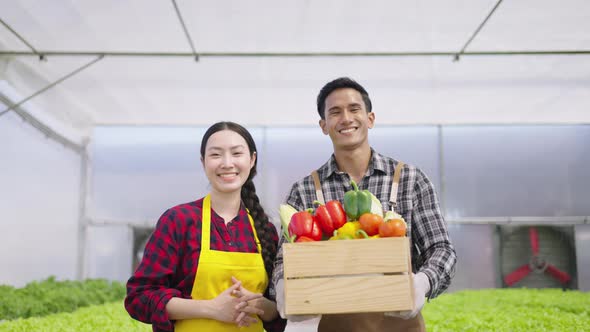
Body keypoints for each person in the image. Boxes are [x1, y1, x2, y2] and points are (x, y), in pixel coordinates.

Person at [272, 77, 457, 331]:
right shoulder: (304, 191)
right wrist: (283, 285)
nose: (346, 118)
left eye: (354, 109)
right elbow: (284, 259)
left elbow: (441, 249)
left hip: (399, 324)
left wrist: (423, 282)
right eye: (335, 112)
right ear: (323, 125)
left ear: (370, 118)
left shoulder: (410, 179)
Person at [125, 121, 287, 332]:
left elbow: (279, 309)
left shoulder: (264, 228)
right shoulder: (178, 220)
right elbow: (139, 296)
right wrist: (210, 308)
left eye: (237, 153)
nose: (227, 163)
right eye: (216, 154)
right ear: (203, 162)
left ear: (252, 160)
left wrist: (263, 307)